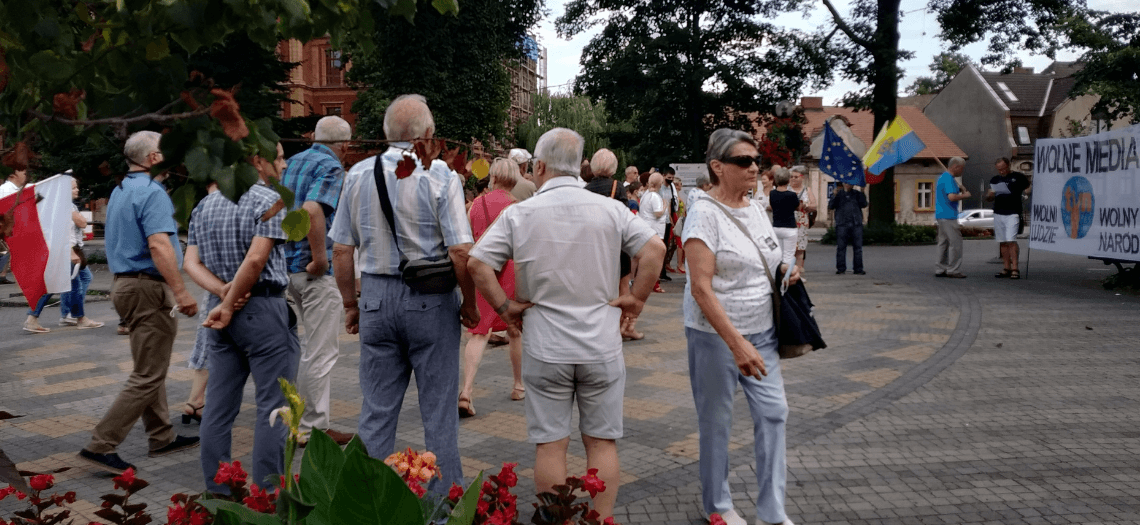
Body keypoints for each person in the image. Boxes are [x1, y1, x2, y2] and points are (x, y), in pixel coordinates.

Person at [468, 127, 664, 520]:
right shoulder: (610, 209)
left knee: (551, 446)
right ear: (579, 167)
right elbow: (655, 247)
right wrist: (636, 299)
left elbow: (477, 263)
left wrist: (506, 308)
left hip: (545, 346)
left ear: (538, 166)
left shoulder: (520, 213)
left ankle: (558, 522)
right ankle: (602, 521)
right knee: (602, 443)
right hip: (601, 346)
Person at [329, 94, 478, 492]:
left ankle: (366, 506)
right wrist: (471, 305)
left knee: (376, 413)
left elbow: (342, 250)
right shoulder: (442, 175)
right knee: (439, 414)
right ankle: (443, 508)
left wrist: (350, 305)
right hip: (431, 300)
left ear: (385, 134)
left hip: (375, 297)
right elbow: (461, 251)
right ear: (428, 134)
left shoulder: (358, 174)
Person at [683, 128, 799, 525]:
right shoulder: (702, 214)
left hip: (763, 330)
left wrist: (786, 270)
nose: (754, 168)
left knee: (774, 414)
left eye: (756, 161)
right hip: (715, 336)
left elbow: (765, 257)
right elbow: (700, 288)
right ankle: (718, 506)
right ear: (717, 167)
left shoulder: (755, 206)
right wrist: (735, 344)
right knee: (717, 422)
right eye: (743, 161)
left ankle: (772, 511)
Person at [79, 131, 200, 474]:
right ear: (153, 158)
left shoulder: (121, 190)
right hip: (147, 288)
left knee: (150, 365)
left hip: (126, 286)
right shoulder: (152, 192)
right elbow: (160, 245)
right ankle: (101, 445)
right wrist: (181, 291)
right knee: (148, 372)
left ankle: (160, 435)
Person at [184, 143, 297, 494]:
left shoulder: (206, 204)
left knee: (218, 409)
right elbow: (254, 261)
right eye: (278, 157)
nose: (283, 163)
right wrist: (232, 300)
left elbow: (190, 263)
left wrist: (222, 296)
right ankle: (267, 495)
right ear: (258, 161)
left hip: (219, 319)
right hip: (262, 310)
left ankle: (219, 493)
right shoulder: (268, 200)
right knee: (274, 408)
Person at [280, 115, 355, 446]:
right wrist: (320, 258)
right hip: (312, 271)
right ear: (344, 146)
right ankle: (312, 428)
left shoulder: (293, 163)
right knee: (320, 352)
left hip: (287, 268)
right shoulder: (331, 167)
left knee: (306, 349)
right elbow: (313, 210)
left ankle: (301, 419)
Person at [459, 158, 524, 417]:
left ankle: (466, 390)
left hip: (480, 269)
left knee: (479, 332)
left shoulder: (475, 205)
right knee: (515, 330)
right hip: (509, 270)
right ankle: (518, 386)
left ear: (493, 176)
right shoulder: (518, 207)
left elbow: (464, 241)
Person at [586, 149, 640, 338]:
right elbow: (624, 218)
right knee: (623, 284)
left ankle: (598, 324)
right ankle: (624, 327)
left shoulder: (585, 189)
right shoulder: (618, 187)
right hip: (616, 244)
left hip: (593, 245)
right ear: (613, 167)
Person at [58, 178, 103, 328]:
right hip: (70, 250)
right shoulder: (66, 205)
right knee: (76, 282)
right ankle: (75, 315)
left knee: (72, 281)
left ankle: (68, 314)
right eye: (73, 188)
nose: (77, 190)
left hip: (71, 249)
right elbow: (82, 223)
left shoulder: (68, 205)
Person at [986, 157, 1031, 280]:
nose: (1001, 172)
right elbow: (988, 198)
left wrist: (1026, 193)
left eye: (1003, 169)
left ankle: (1015, 268)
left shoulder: (1018, 177)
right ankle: (1006, 267)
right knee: (1002, 241)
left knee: (1011, 240)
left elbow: (1028, 187)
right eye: (999, 169)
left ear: (1008, 166)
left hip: (1013, 212)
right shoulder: (995, 179)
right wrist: (990, 195)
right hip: (999, 212)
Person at [935, 157, 971, 278]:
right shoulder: (949, 179)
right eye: (962, 168)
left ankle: (941, 268)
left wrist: (959, 189)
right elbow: (951, 197)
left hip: (941, 214)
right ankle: (953, 269)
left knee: (943, 242)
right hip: (949, 215)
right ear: (956, 167)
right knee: (956, 243)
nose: (963, 171)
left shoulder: (943, 177)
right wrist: (965, 195)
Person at [828, 183, 867, 275]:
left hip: (856, 223)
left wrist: (862, 192)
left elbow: (864, 204)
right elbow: (831, 206)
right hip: (842, 223)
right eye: (846, 182)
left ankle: (858, 269)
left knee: (858, 247)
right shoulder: (839, 194)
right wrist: (834, 195)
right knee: (841, 247)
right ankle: (841, 268)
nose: (847, 184)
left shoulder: (857, 194)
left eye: (850, 183)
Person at [640, 173, 668, 294]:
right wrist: (665, 205)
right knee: (657, 259)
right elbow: (658, 214)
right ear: (659, 184)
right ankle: (655, 283)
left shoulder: (645, 195)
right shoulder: (655, 197)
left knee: (648, 258)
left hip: (647, 229)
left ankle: (648, 283)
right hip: (656, 231)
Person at [768, 167, 799, 268]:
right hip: (790, 227)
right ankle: (787, 278)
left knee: (779, 256)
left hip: (776, 227)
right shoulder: (792, 195)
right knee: (788, 256)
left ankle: (777, 277)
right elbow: (797, 207)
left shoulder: (772, 194)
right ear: (788, 180)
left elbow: (772, 207)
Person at [788, 166, 815, 271]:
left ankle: (799, 271)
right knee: (790, 249)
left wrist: (807, 206)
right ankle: (789, 271)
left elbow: (814, 205)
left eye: (796, 177)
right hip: (789, 221)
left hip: (802, 222)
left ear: (802, 177)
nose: (793, 179)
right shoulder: (786, 189)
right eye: (791, 177)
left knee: (800, 249)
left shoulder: (806, 190)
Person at [658, 167, 680, 279]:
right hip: (659, 220)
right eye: (668, 178)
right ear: (663, 176)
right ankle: (658, 271)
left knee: (666, 245)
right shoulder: (659, 187)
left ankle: (663, 271)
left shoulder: (670, 187)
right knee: (660, 246)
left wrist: (670, 216)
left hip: (667, 219)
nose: (670, 180)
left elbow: (670, 202)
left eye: (672, 178)